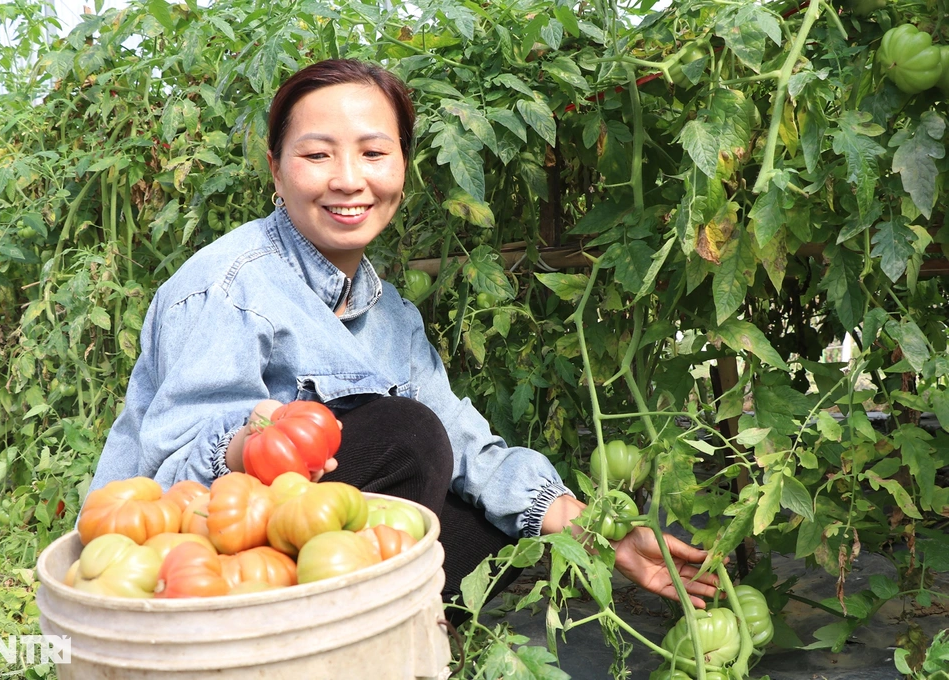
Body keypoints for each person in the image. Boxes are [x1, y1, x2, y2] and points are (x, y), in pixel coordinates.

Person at [88, 58, 721, 617]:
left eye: (373, 152)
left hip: (309, 549)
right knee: (407, 436)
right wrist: (263, 441)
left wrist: (601, 539)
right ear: (275, 170)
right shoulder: (226, 286)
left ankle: (376, 630)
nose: (348, 179)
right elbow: (169, 478)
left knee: (491, 513)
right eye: (316, 155)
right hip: (198, 566)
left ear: (402, 168)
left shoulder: (389, 313)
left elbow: (465, 441)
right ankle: (353, 637)